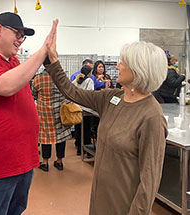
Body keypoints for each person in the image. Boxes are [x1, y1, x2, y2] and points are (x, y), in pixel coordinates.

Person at [46, 28, 168, 215]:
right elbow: (73, 92)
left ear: (139, 69)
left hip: (124, 205)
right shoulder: (112, 98)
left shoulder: (151, 116)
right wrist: (53, 61)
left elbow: (150, 179)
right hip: (100, 197)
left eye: (122, 62)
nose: (117, 66)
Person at [0, 12, 58, 215]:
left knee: (16, 210)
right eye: (17, 34)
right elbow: (6, 86)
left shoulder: (13, 62)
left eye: (23, 37)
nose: (20, 41)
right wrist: (43, 50)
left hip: (22, 162)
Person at [32, 57, 71, 172]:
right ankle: (59, 161)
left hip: (44, 113)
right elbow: (68, 91)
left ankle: (45, 162)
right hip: (60, 112)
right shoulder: (60, 77)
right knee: (60, 137)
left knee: (45, 138)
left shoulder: (38, 78)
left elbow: (33, 94)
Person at [72, 65, 95, 155]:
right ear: (89, 73)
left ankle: (78, 148)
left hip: (77, 107)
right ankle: (87, 149)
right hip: (86, 108)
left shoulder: (76, 80)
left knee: (78, 128)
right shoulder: (89, 80)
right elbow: (90, 93)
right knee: (86, 129)